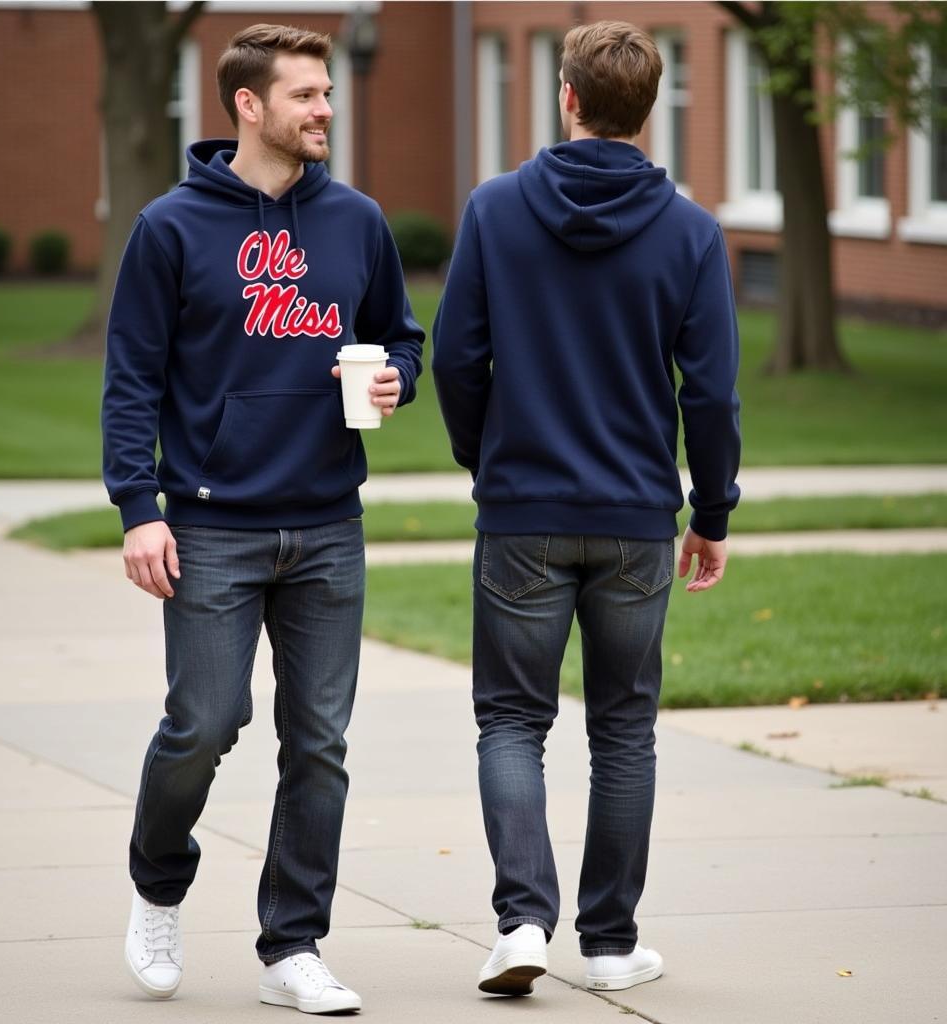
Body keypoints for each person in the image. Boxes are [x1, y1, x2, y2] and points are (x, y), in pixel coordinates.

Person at [101, 23, 423, 1013]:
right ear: (249, 105)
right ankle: (159, 882)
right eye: (305, 96)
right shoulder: (171, 227)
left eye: (326, 93)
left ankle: (292, 944)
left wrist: (392, 387)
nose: (325, 109)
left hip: (327, 521)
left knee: (318, 740)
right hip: (209, 526)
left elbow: (402, 342)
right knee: (202, 723)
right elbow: (131, 383)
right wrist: (138, 509)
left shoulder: (357, 221)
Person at [432, 20, 740, 998]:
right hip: (636, 516)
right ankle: (608, 942)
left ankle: (522, 921)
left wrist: (483, 458)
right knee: (623, 729)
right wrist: (713, 510)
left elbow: (452, 357)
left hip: (521, 508)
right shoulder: (691, 232)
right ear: (647, 109)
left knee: (511, 722)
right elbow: (712, 394)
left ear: (567, 98)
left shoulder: (492, 210)